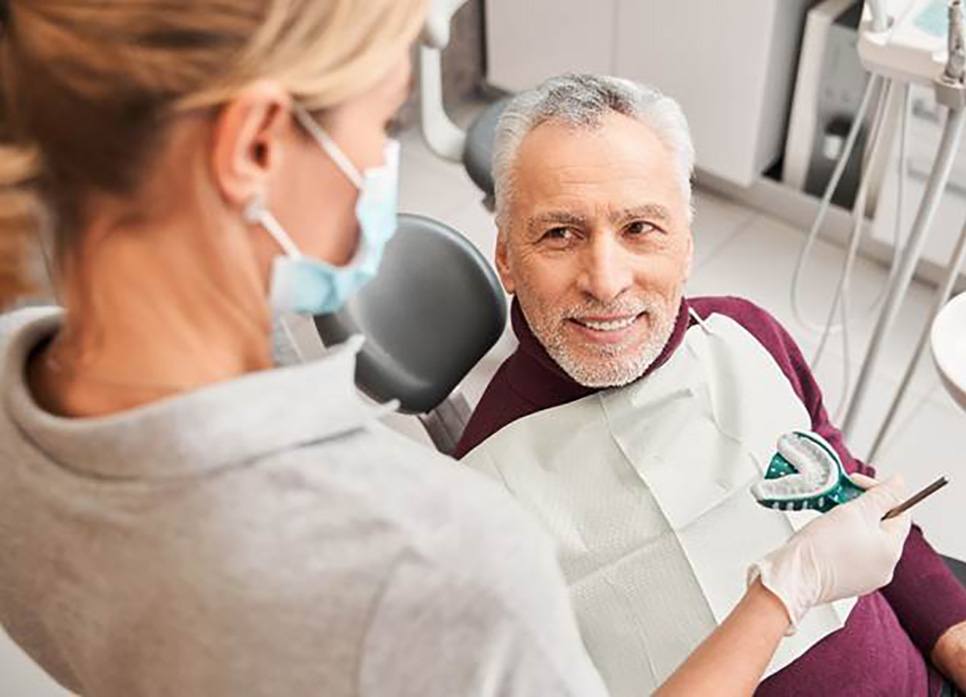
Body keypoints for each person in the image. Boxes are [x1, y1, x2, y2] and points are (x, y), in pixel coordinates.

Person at [0, 4, 912, 695]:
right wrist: (782, 595)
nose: (608, 278)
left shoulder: (16, 417)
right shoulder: (445, 553)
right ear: (256, 146)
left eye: (642, 225)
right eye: (386, 118)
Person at [456, 73, 966, 696]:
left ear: (687, 244)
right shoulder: (477, 497)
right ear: (507, 257)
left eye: (641, 228)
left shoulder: (744, 333)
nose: (607, 280)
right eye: (560, 234)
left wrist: (953, 634)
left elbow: (853, 487)